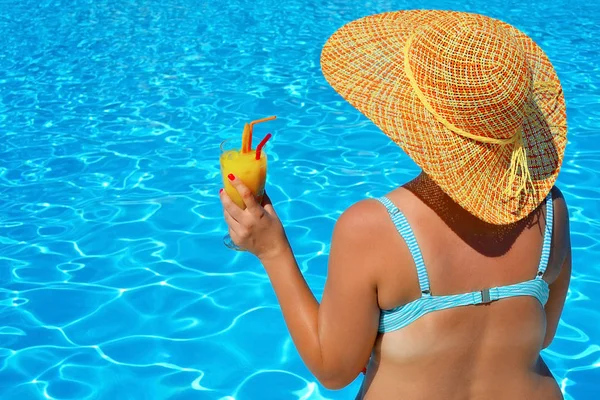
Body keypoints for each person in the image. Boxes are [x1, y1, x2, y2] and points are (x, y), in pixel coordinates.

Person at [219, 10, 571, 400]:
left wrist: (272, 250)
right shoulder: (550, 210)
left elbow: (335, 370)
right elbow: (542, 336)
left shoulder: (374, 227)